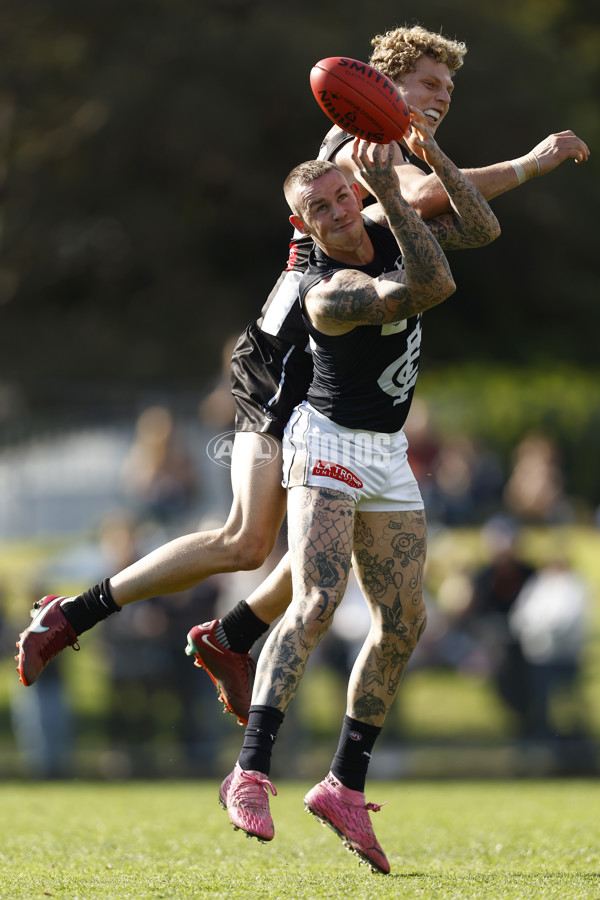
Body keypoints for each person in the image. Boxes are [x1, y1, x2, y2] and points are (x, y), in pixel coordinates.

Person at [15, 25, 589, 724]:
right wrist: (532, 163)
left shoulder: (391, 148)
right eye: (429, 84)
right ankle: (74, 614)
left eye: (448, 89)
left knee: (328, 542)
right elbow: (436, 198)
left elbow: (460, 218)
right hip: (286, 358)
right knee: (245, 539)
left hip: (319, 359)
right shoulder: (360, 144)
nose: (441, 98)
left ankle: (231, 637)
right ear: (384, 84)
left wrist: (459, 176)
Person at [220, 130, 500, 874]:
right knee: (316, 598)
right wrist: (388, 194)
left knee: (406, 620)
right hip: (329, 442)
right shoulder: (325, 289)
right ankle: (249, 772)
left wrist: (427, 160)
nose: (341, 211)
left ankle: (344, 784)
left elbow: (480, 228)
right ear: (304, 226)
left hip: (386, 449)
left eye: (343, 194)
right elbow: (430, 287)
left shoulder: (380, 219)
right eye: (321, 208)